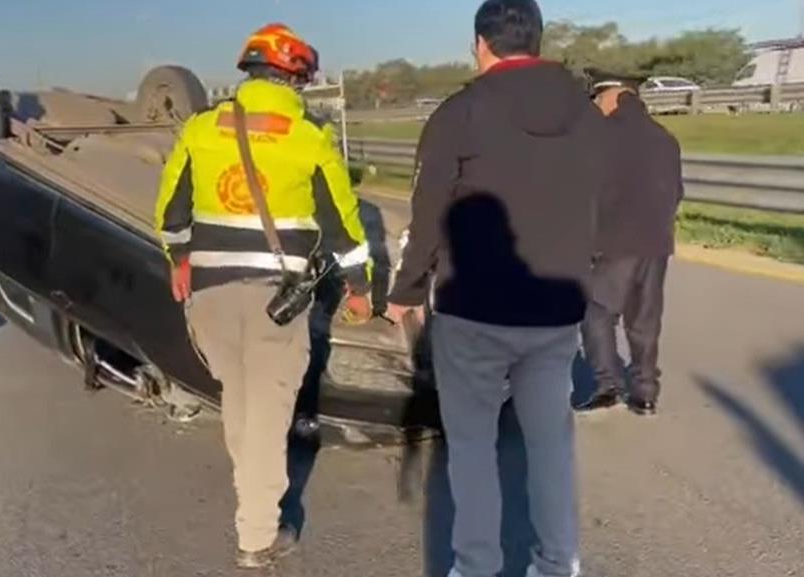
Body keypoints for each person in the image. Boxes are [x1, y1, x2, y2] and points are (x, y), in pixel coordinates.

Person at [385, 1, 609, 575]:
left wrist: (407, 289)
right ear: (537, 40)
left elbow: (429, 210)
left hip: (474, 311)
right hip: (556, 309)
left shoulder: (461, 112)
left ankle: (476, 564)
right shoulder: (587, 116)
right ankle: (558, 563)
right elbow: (601, 205)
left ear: (480, 44)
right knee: (550, 445)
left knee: (472, 449)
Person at [154, 23, 372, 569]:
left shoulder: (201, 129)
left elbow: (170, 215)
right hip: (276, 300)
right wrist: (362, 287)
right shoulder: (308, 136)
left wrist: (178, 262)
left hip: (209, 295)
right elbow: (343, 226)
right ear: (294, 78)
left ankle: (251, 495)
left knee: (240, 400)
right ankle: (257, 535)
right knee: (269, 416)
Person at [576, 70, 684, 416]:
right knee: (645, 319)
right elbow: (676, 192)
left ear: (611, 97)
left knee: (596, 313)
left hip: (614, 242)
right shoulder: (665, 137)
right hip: (656, 241)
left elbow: (587, 194)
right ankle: (645, 393)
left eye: (596, 98)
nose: (595, 105)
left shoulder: (597, 137)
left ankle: (609, 385)